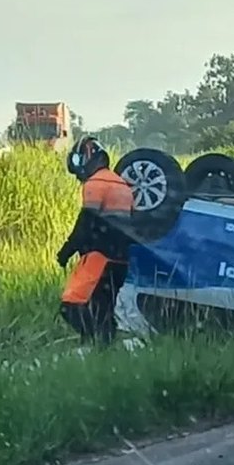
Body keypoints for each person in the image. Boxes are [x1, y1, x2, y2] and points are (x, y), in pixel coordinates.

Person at [57, 136, 135, 343]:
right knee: (104, 309)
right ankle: (104, 349)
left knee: (71, 305)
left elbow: (87, 221)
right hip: (121, 261)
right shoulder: (123, 186)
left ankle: (92, 341)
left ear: (86, 158)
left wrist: (67, 250)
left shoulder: (95, 184)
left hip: (99, 257)